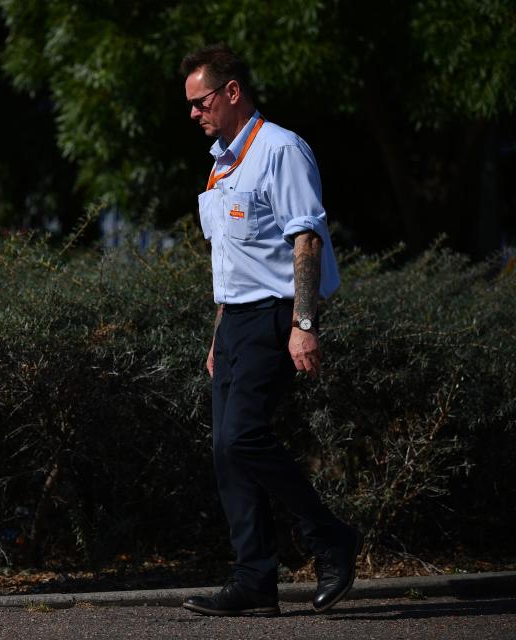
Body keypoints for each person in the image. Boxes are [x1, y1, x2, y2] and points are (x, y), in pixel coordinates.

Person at [179, 43, 361, 617]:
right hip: (234, 322)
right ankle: (254, 580)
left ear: (231, 92)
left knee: (243, 437)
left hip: (275, 316)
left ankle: (330, 537)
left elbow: (304, 237)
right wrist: (216, 334)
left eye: (200, 101)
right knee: (225, 453)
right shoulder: (220, 161)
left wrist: (304, 324)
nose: (194, 113)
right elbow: (231, 258)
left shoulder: (280, 150)